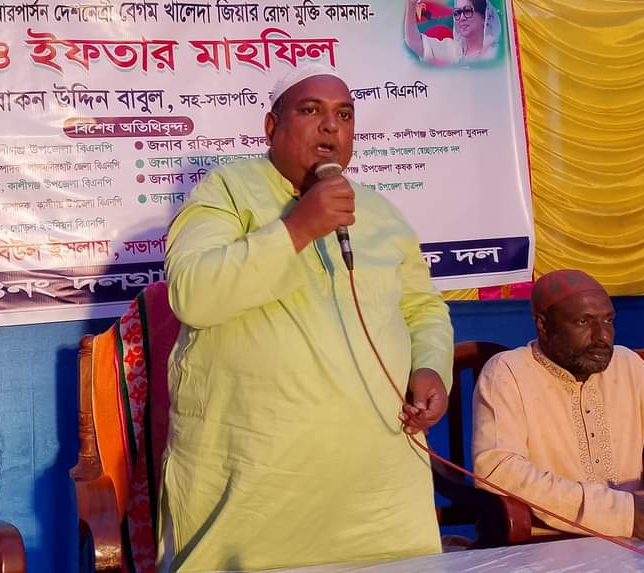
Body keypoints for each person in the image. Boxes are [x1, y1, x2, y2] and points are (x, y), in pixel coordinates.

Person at [157, 65, 453, 572]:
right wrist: (297, 229)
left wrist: (430, 368)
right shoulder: (227, 190)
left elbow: (422, 307)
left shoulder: (380, 212)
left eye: (344, 115)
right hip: (259, 487)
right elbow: (194, 296)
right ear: (272, 127)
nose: (331, 126)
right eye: (311, 110)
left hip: (378, 492)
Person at [472, 269, 644, 541]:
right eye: (584, 322)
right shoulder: (508, 372)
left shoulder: (626, 364)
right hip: (550, 541)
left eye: (608, 320)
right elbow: (498, 469)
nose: (602, 336)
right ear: (543, 325)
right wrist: (621, 514)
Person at [403, 0, 499, 67]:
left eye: (467, 11)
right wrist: (411, 3)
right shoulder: (452, 50)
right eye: (458, 13)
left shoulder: (494, 54)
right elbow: (414, 42)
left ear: (484, 17)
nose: (461, 18)